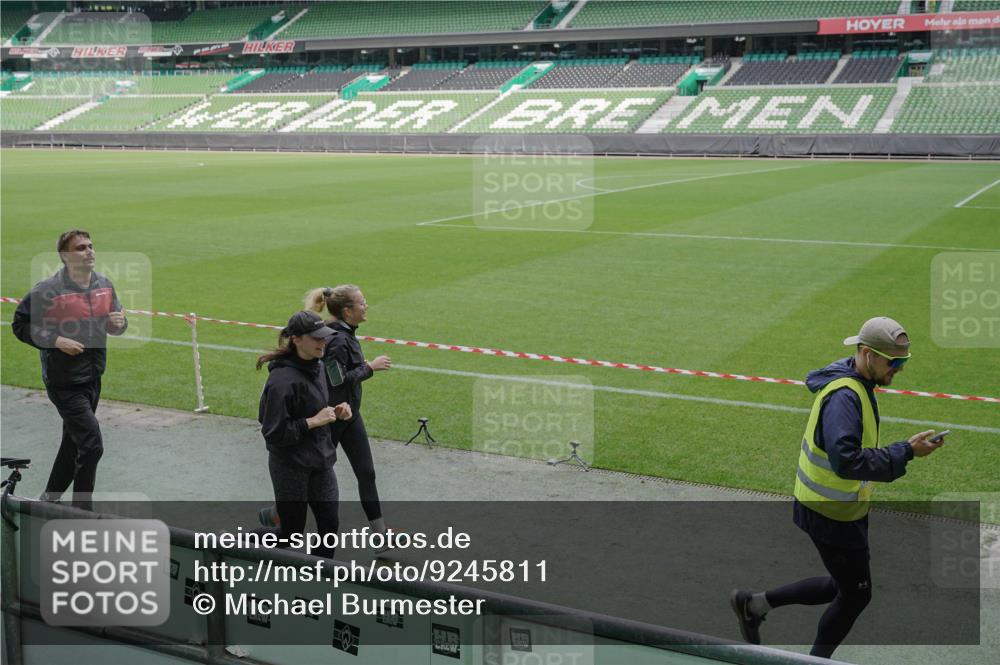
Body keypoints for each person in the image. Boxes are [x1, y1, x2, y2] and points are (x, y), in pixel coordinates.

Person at [729, 316, 945, 659]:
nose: (899, 369)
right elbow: (847, 461)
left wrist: (906, 448)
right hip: (830, 511)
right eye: (895, 362)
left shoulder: (856, 382)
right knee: (856, 594)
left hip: (835, 507)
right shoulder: (845, 397)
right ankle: (814, 658)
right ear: (867, 354)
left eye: (904, 361)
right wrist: (906, 452)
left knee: (842, 585)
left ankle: (753, 605)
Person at [11, 230, 127, 510]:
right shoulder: (46, 290)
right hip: (64, 383)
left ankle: (48, 502)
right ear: (65, 256)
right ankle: (81, 514)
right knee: (92, 445)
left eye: (90, 246)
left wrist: (118, 323)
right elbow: (21, 325)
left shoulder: (103, 284)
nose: (89, 251)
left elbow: (119, 324)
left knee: (72, 445)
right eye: (80, 248)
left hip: (93, 377)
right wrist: (55, 341)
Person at [257, 311, 352, 558]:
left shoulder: (318, 366)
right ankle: (232, 544)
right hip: (291, 466)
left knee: (330, 527)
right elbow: (273, 433)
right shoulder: (282, 381)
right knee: (291, 534)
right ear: (297, 340)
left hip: (321, 461)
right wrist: (313, 422)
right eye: (316, 338)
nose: (323, 342)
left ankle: (318, 584)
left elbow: (319, 405)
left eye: (325, 337)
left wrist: (338, 411)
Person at [305, 284, 393, 539]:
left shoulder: (344, 334)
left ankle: (380, 536)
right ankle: (278, 514)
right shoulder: (337, 339)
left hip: (350, 415)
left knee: (367, 473)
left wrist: (361, 365)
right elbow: (336, 380)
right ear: (347, 311)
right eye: (362, 302)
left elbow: (340, 371)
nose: (366, 306)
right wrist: (371, 368)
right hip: (333, 417)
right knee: (313, 473)